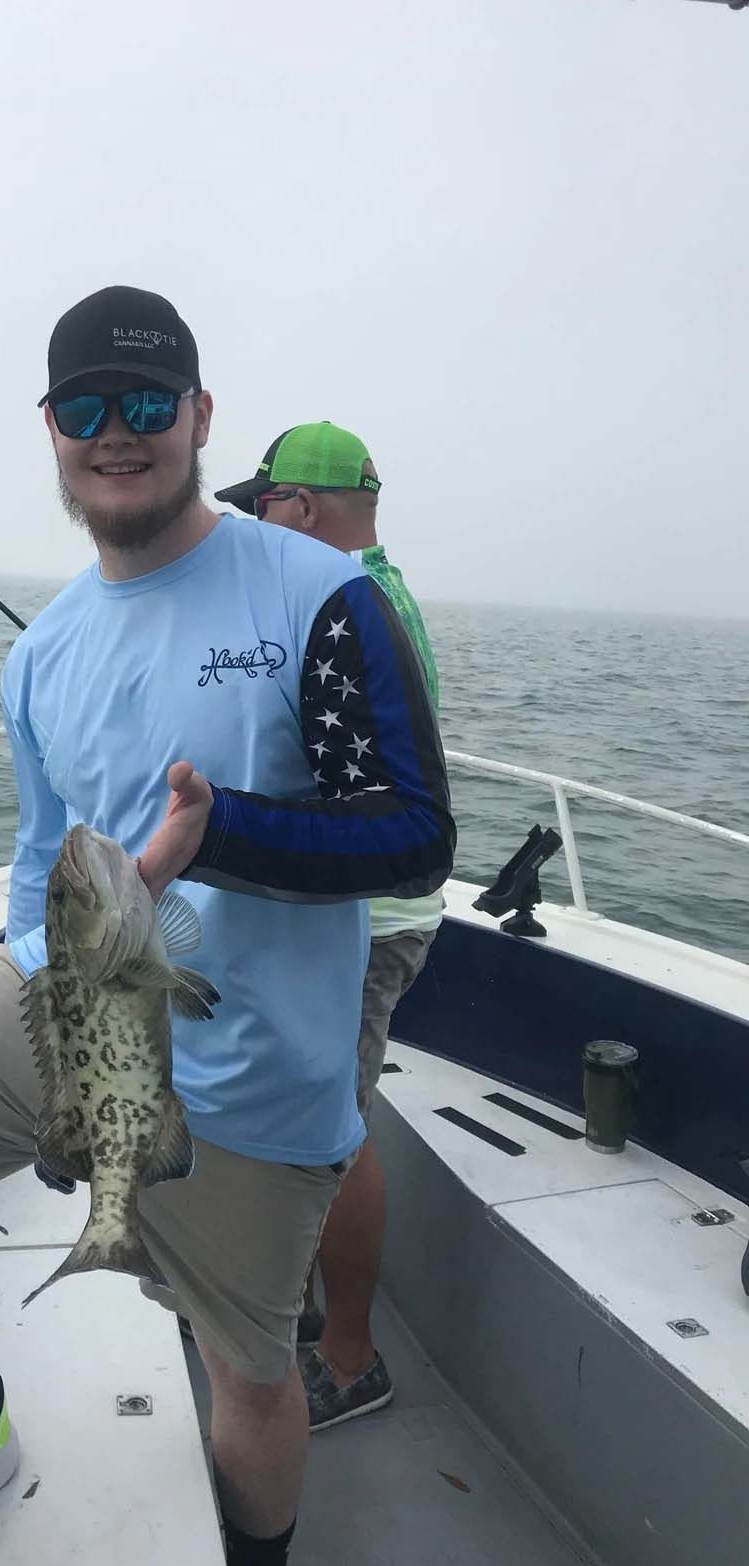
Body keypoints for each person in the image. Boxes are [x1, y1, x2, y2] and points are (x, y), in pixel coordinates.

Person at [0, 290, 454, 1566]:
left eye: (147, 405)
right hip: (71, 995)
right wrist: (23, 959)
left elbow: (415, 839)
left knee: (249, 1378)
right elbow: (40, 855)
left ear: (200, 417)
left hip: (253, 1078)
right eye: (87, 408)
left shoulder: (322, 596)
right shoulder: (48, 652)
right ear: (51, 427)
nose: (116, 432)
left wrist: (221, 836)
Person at [216, 422, 443, 1431]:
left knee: (336, 1138)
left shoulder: (342, 605)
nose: (247, 525)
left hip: (369, 917)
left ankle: (350, 1358)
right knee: (313, 1124)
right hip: (353, 910)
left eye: (258, 505)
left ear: (297, 509)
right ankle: (295, 1312)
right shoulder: (376, 587)